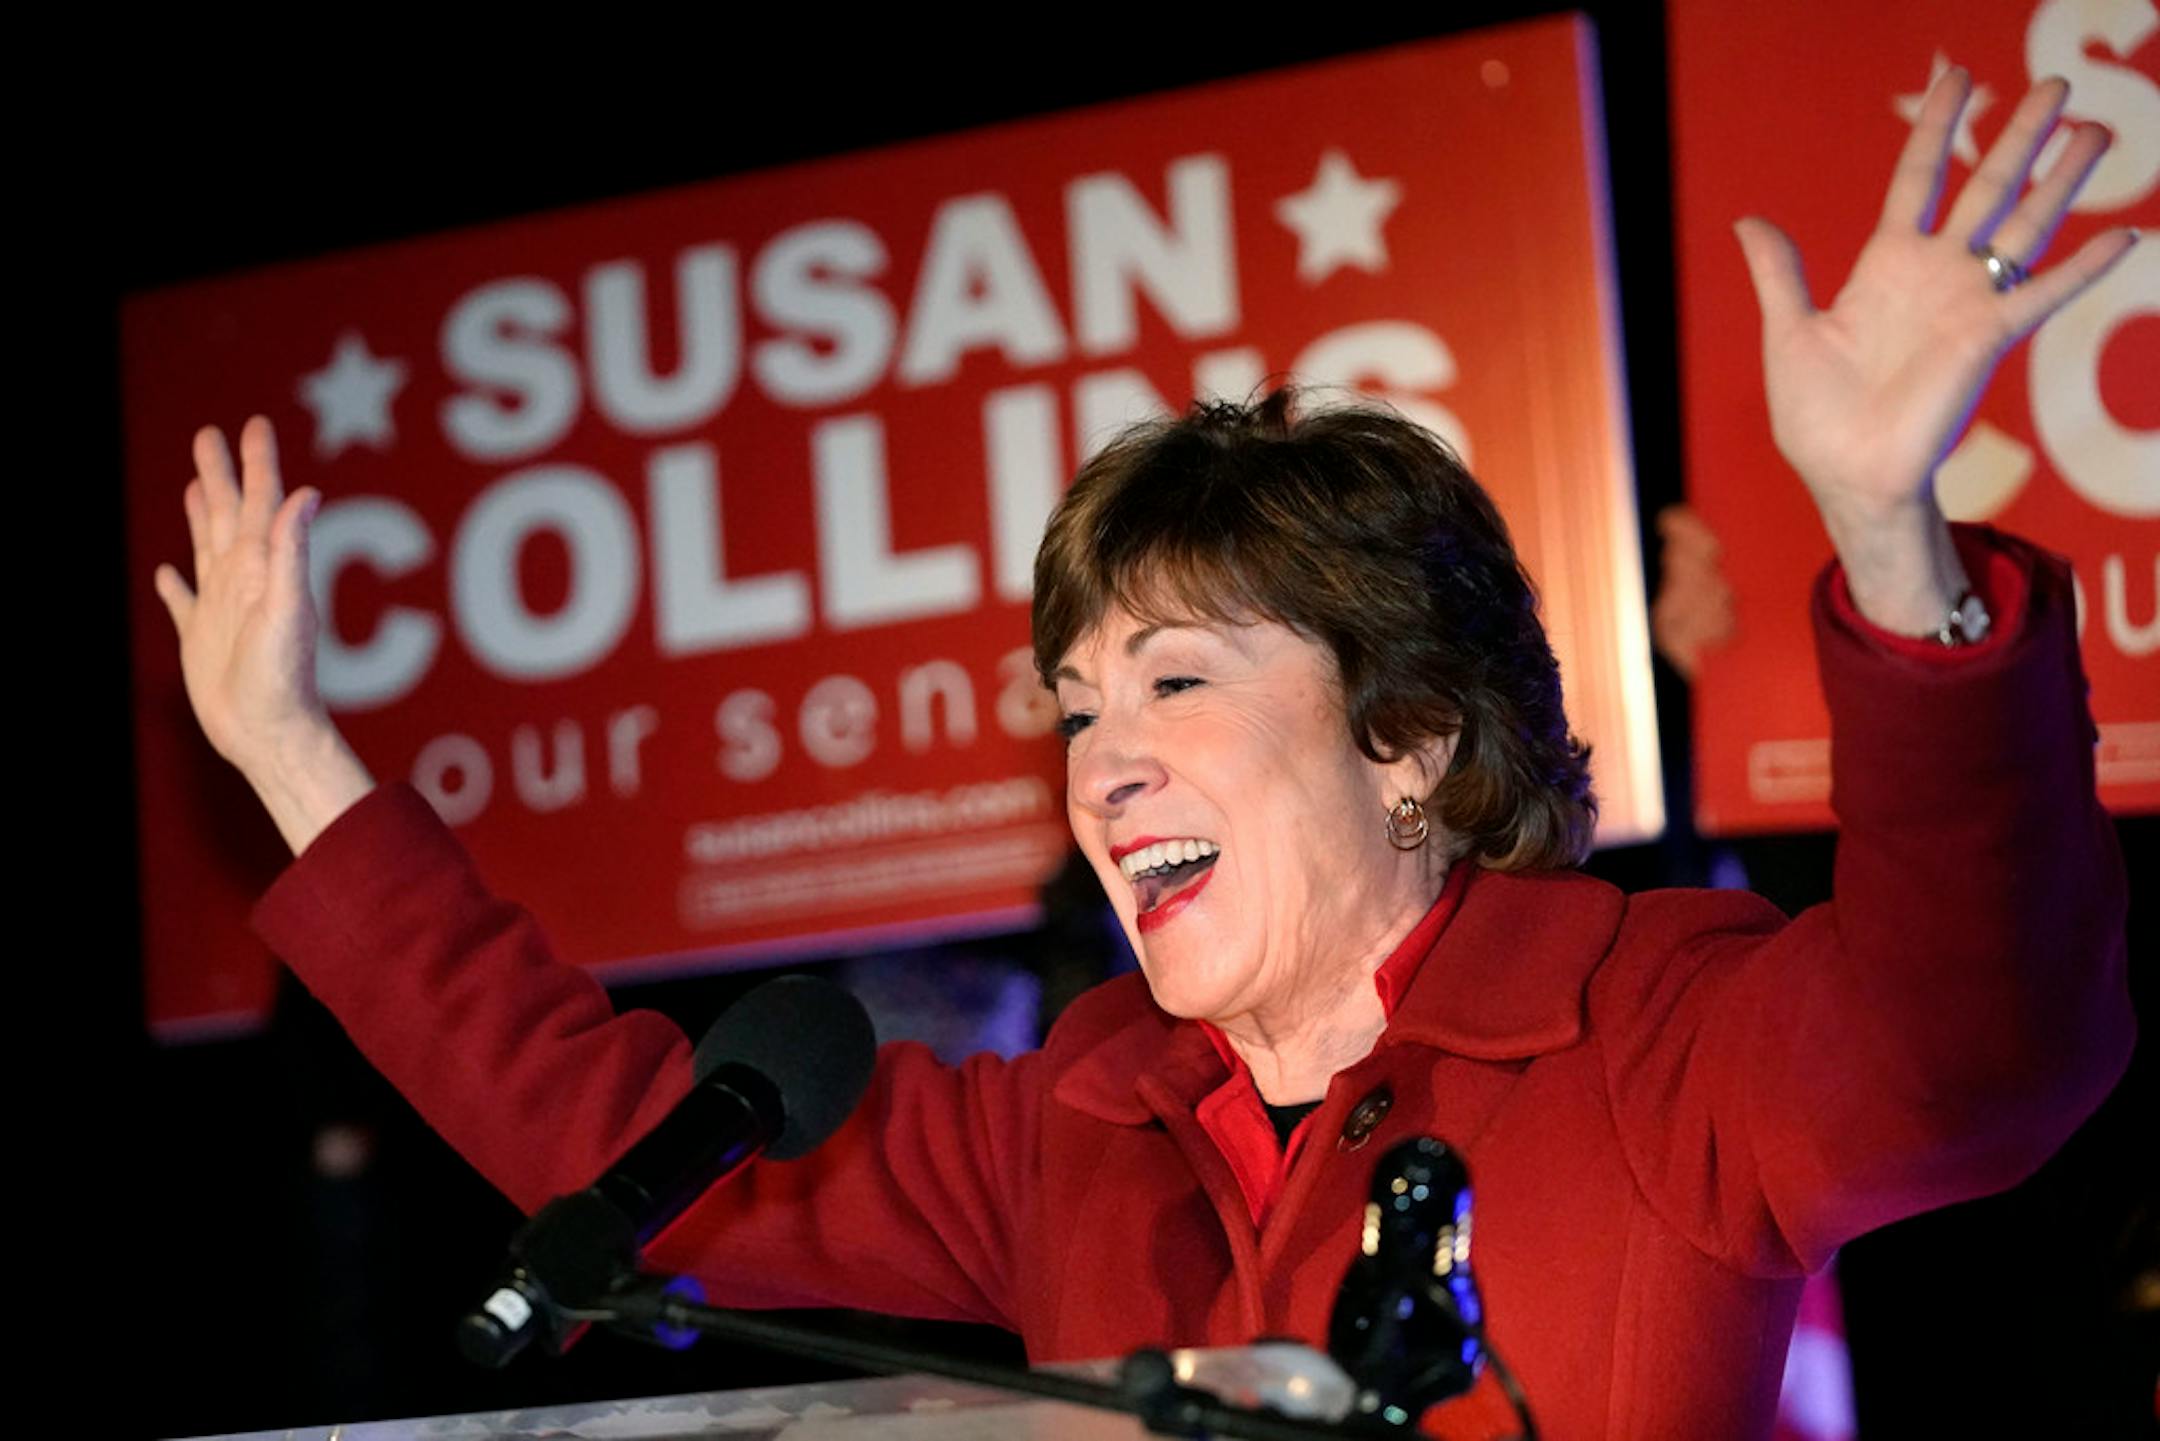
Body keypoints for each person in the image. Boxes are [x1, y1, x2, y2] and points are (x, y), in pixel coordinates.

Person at [154, 71, 2137, 1440]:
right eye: (1079, 705)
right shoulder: (1078, 1130)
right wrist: (293, 755)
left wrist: (1893, 536)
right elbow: (606, 1138)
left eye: (1174, 681)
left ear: (1406, 735)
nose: (1101, 760)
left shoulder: (1648, 1040)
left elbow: (1981, 1047)